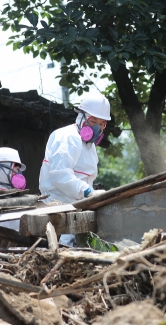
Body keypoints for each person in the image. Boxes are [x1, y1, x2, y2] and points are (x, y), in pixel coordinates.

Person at [39, 91, 110, 246]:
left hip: (76, 207)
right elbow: (60, 175)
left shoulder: (89, 146)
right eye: (95, 121)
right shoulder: (68, 137)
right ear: (84, 118)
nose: (99, 128)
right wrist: (88, 192)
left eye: (103, 124)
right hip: (58, 207)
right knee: (67, 249)